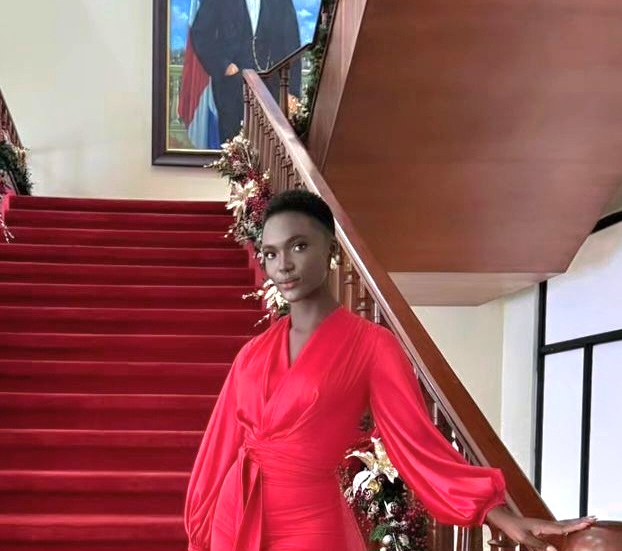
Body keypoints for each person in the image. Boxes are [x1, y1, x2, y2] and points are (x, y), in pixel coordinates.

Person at [184, 189, 596, 551]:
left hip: (310, 524)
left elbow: (415, 441)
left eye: (298, 246)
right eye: (271, 253)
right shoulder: (253, 354)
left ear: (331, 250)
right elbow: (218, 451)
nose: (282, 265)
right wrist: (200, 530)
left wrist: (497, 513)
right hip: (236, 516)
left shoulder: (371, 346)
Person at [189, 0, 302, 143]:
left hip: (273, 90)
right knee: (234, 154)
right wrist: (223, 65)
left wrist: (293, 92)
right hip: (231, 90)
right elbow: (200, 33)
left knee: (270, 150)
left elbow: (292, 46)